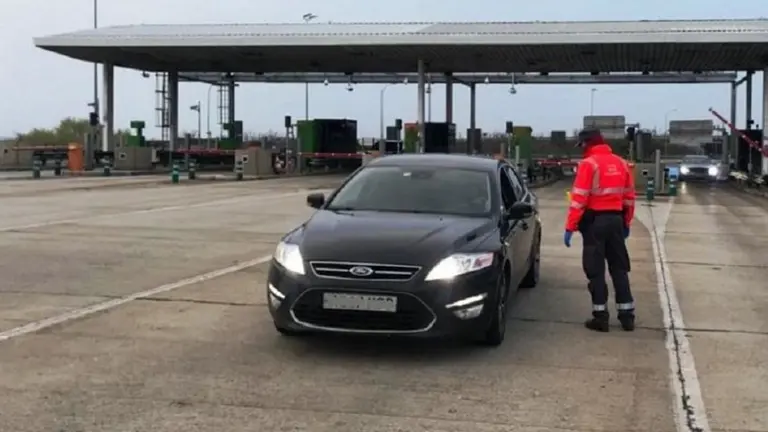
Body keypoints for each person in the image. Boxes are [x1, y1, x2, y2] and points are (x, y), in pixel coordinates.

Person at [563, 128, 636, 332]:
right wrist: (626, 222)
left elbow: (579, 199)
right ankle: (627, 316)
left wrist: (570, 226)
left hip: (595, 222)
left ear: (587, 144)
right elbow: (629, 198)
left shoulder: (588, 164)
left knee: (595, 271)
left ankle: (601, 317)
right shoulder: (621, 163)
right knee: (619, 268)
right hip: (616, 220)